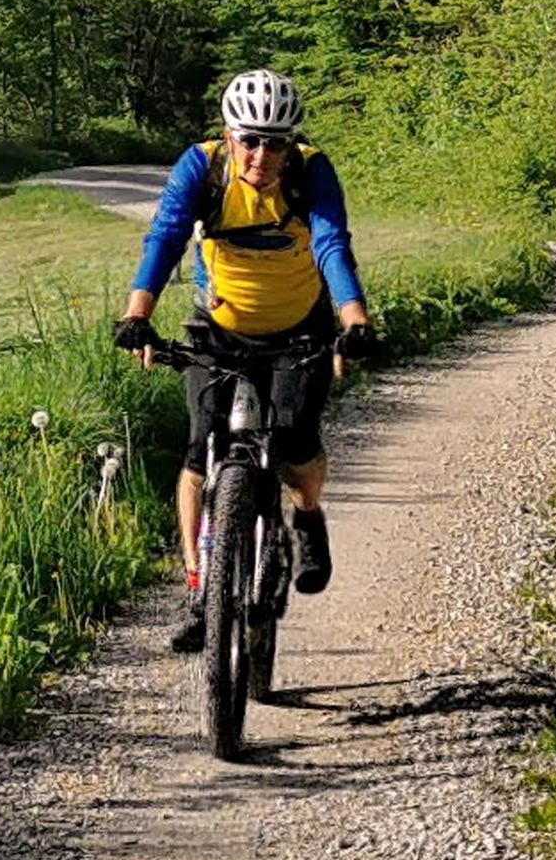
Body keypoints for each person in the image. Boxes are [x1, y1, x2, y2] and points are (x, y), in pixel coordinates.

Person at [114, 69, 373, 654]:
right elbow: (167, 236)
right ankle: (199, 589)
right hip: (219, 327)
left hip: (299, 328)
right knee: (199, 450)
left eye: (276, 142)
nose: (262, 155)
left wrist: (354, 319)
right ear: (228, 134)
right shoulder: (202, 168)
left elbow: (331, 242)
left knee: (297, 444)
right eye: (250, 140)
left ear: (291, 142)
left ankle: (307, 517)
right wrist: (137, 315)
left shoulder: (311, 172)